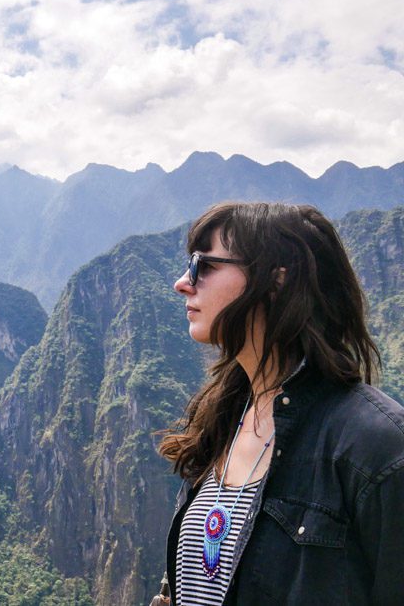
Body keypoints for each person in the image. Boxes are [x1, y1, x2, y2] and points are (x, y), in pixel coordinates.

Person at [154, 202, 404, 605]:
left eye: (205, 264)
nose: (183, 282)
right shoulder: (222, 420)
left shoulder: (376, 449)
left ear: (276, 280)